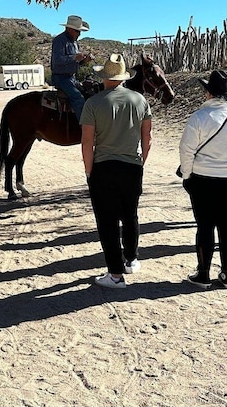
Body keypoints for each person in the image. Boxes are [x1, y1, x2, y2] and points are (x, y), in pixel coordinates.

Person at [179, 70, 227, 289]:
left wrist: (187, 176)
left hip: (203, 178)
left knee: (204, 226)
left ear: (208, 93)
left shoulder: (199, 118)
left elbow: (186, 150)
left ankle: (203, 274)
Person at [81, 53, 152, 289]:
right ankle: (131, 259)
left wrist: (89, 172)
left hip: (103, 166)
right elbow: (147, 138)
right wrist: (140, 163)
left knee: (107, 221)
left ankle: (114, 274)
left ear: (104, 77)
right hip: (132, 166)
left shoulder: (93, 103)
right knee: (130, 214)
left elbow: (87, 142)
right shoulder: (140, 100)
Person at [51, 15, 92, 122]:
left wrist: (84, 61)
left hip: (71, 78)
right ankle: (84, 128)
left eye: (79, 31)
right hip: (60, 78)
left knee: (89, 92)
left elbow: (73, 63)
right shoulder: (59, 40)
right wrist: (74, 57)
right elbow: (57, 61)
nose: (79, 34)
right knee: (78, 98)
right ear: (68, 29)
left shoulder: (74, 43)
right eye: (77, 31)